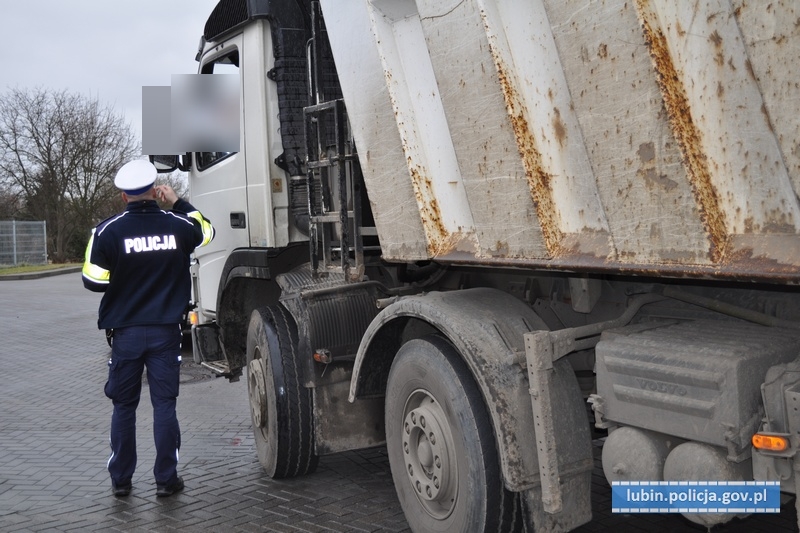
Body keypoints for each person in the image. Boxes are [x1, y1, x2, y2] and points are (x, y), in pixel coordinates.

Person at [82, 159, 215, 497]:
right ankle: (166, 481)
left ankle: (121, 481)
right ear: (156, 191)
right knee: (164, 406)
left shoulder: (106, 230)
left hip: (125, 333)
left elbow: (92, 280)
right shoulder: (179, 224)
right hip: (166, 332)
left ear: (124, 195)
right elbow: (208, 231)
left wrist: (123, 276)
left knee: (124, 407)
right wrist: (179, 203)